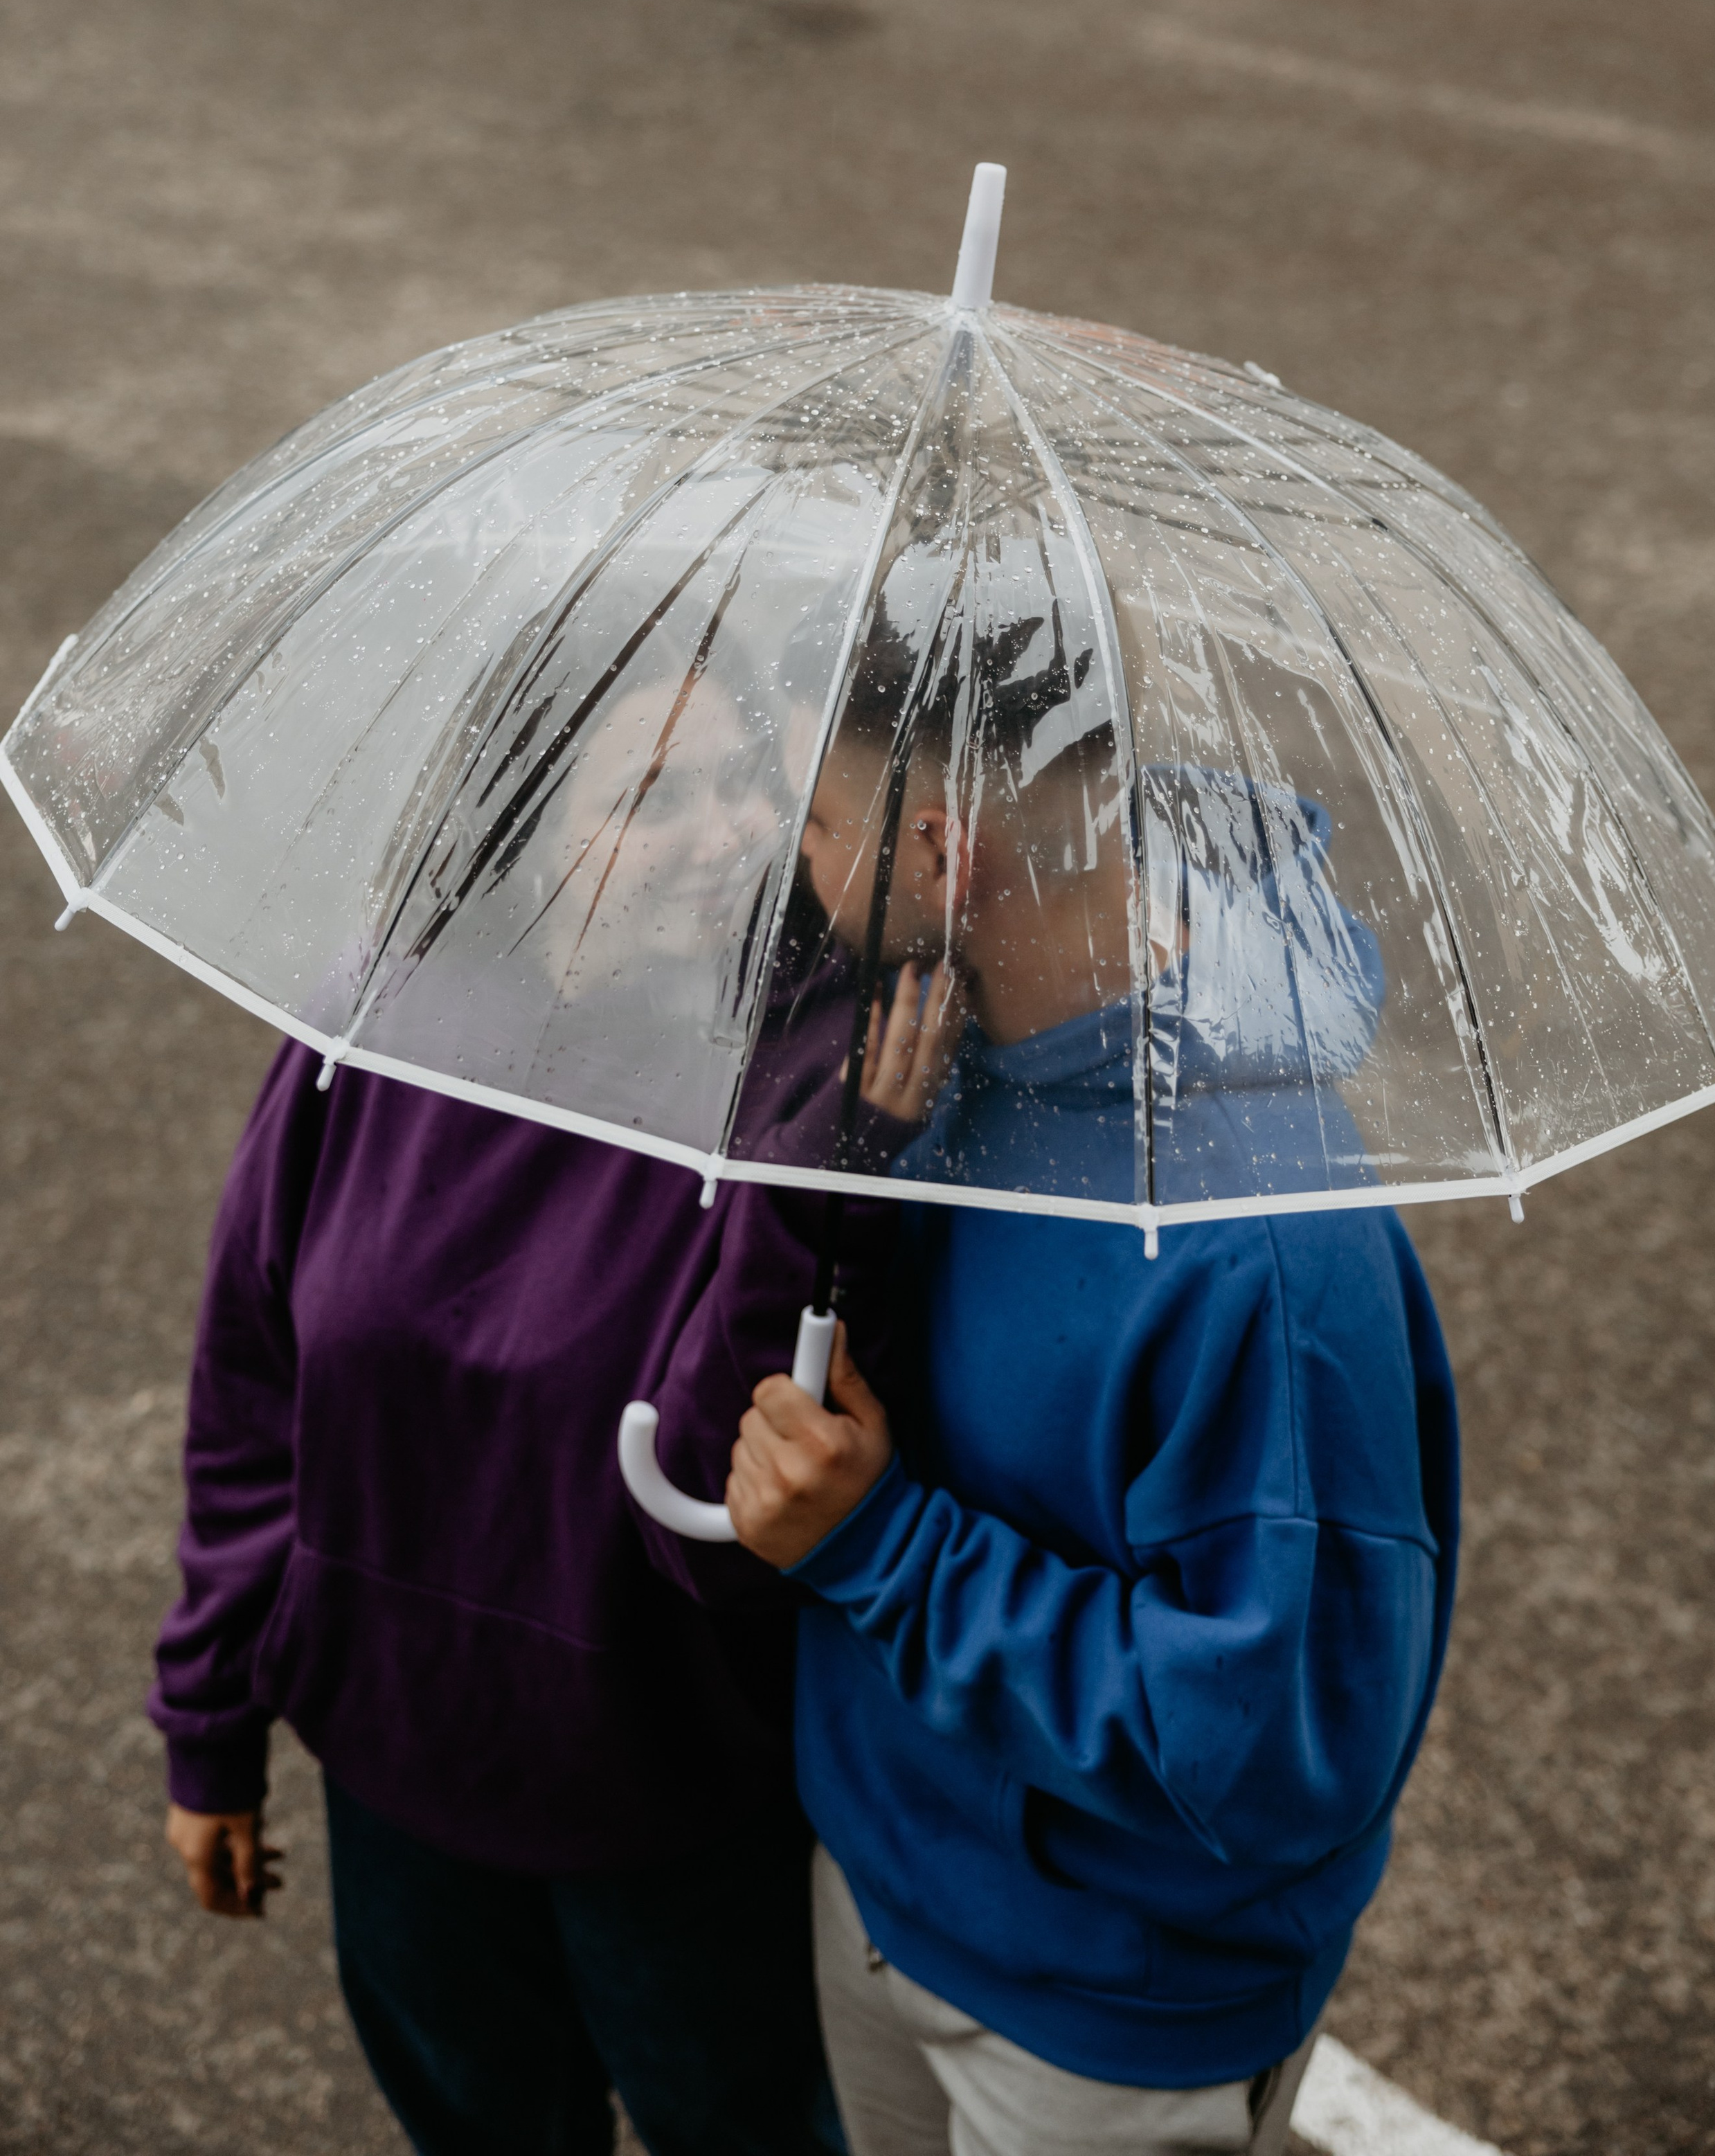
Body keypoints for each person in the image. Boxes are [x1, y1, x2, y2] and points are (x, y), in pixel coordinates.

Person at [151, 666, 935, 2156]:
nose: (725, 835)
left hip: (674, 1812)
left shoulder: (813, 1069)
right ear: (521, 825)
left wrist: (825, 1178)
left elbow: (724, 1497)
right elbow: (254, 1392)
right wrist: (208, 1724)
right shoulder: (379, 1015)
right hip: (394, 1779)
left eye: (741, 785)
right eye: (650, 798)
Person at [724, 606, 1460, 2156]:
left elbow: (1273, 1755)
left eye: (816, 824)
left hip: (1099, 2022)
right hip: (875, 1878)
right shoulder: (936, 1045)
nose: (785, 861)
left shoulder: (1259, 1259)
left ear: (939, 854)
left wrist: (880, 1550)